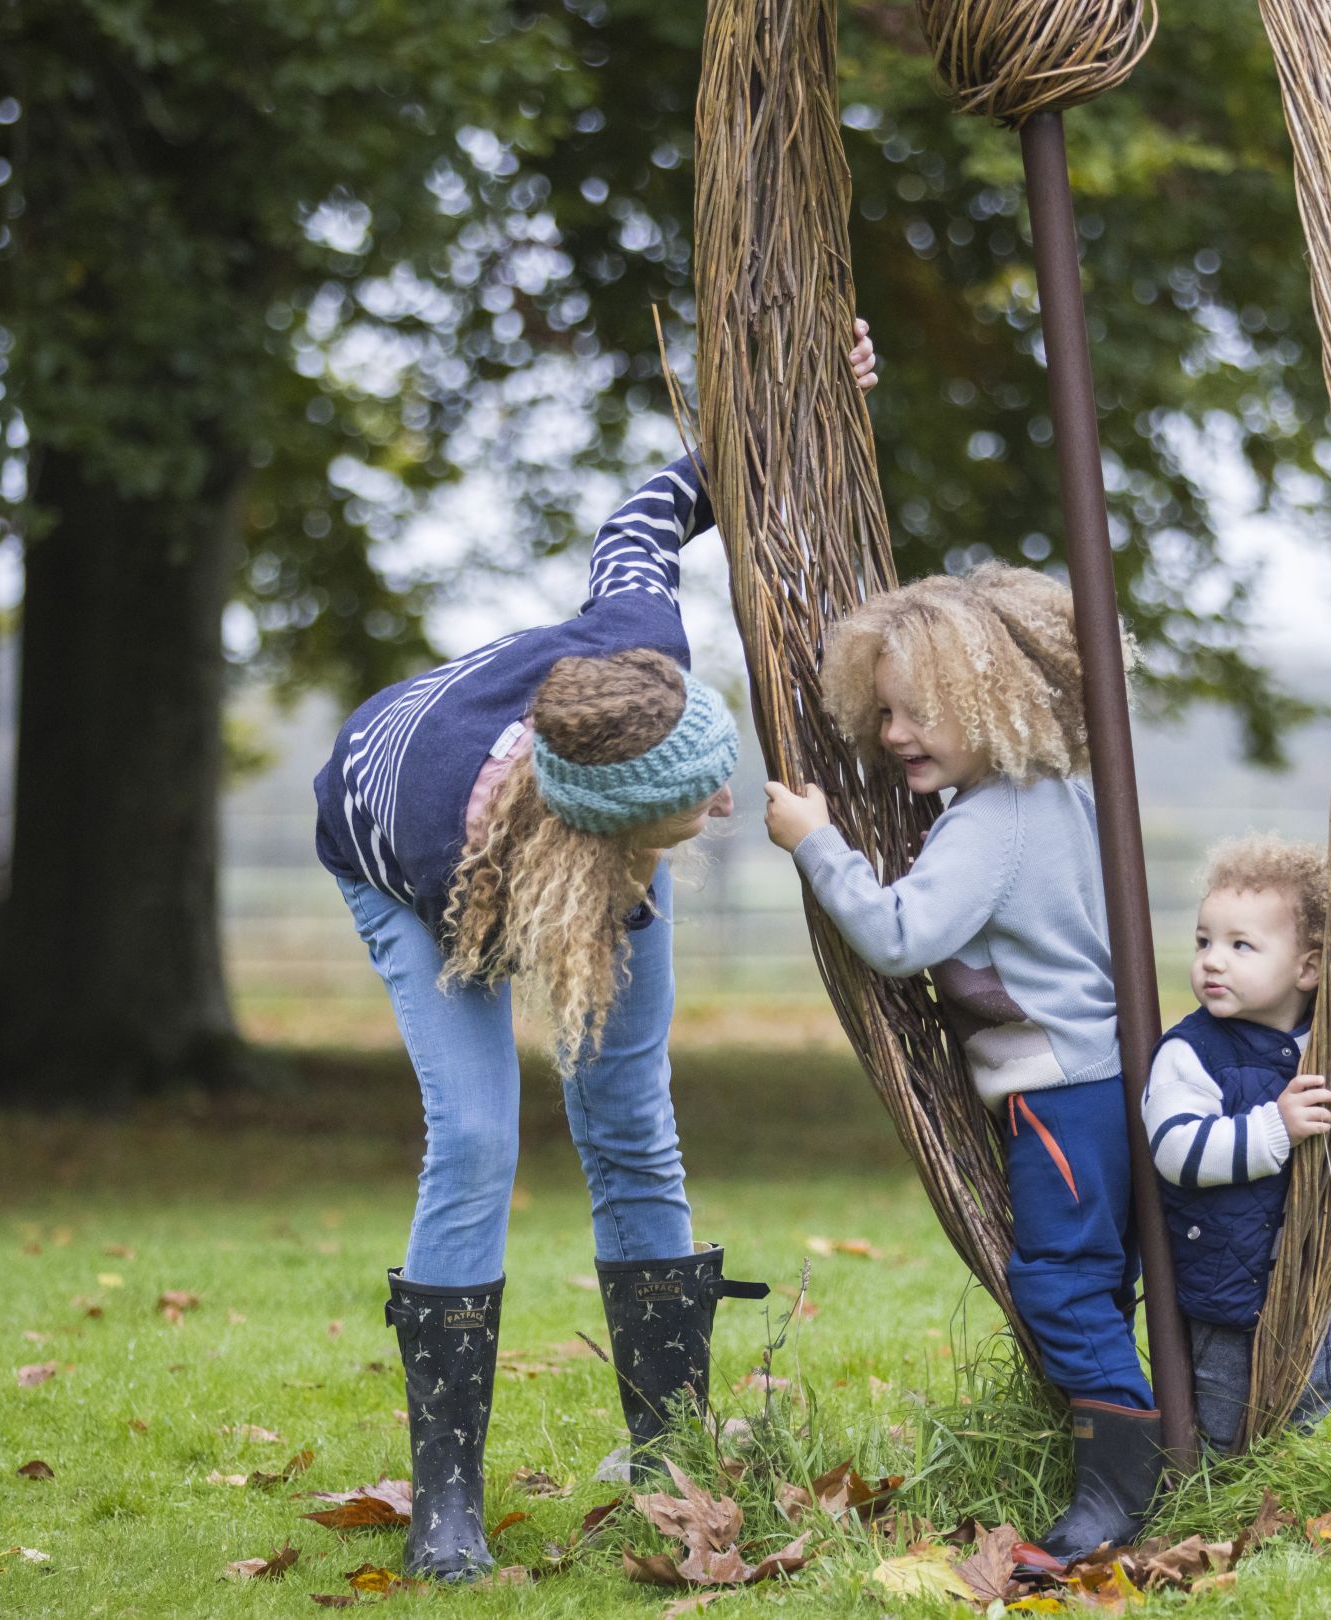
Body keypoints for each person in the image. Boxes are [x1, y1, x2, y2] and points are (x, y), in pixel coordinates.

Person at [310, 325, 880, 1580]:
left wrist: (799, 394)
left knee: (629, 1115)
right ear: (612, 831)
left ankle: (669, 1460)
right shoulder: (427, 839)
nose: (721, 812)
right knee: (473, 1134)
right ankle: (444, 1506)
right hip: (415, 870)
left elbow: (648, 514)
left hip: (569, 845)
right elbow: (494, 875)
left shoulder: (642, 655)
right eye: (697, 810)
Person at [760, 564, 1158, 1561]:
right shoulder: (1063, 792)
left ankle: (1123, 1483)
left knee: (1063, 1286)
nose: (895, 734)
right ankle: (1154, 1445)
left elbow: (900, 935)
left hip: (1056, 1092)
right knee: (1105, 1281)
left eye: (920, 712)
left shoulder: (991, 821)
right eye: (885, 712)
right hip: (1109, 1079)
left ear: (997, 698)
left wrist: (815, 845)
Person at [1140, 834, 1331, 1453]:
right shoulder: (1191, 1052)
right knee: (1226, 1416)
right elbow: (1175, 1150)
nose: (1212, 961)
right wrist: (1274, 1128)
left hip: (1308, 1264)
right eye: (1203, 941)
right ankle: (1220, 1497)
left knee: (1311, 1396)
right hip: (1224, 1279)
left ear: (1307, 967)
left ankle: (1291, 1484)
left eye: (1240, 946)